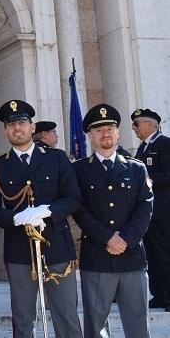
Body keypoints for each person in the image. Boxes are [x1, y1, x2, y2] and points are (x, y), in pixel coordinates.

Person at [0, 100, 82, 338]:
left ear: (32, 126)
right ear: (5, 130)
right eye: (11, 125)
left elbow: (73, 198)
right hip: (19, 250)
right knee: (23, 317)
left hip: (57, 246)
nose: (17, 129)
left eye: (21, 123)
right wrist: (17, 218)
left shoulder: (56, 159)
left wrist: (46, 211)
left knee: (66, 314)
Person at [74, 104, 153, 338]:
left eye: (110, 128)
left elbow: (145, 209)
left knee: (137, 323)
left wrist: (125, 239)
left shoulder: (136, 169)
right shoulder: (78, 171)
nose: (105, 133)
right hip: (96, 257)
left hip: (132, 258)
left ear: (118, 132)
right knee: (95, 325)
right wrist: (107, 237)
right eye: (99, 130)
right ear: (90, 135)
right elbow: (78, 209)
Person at [132, 107, 170, 310]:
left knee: (165, 254)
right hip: (149, 213)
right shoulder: (142, 148)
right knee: (152, 256)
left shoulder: (164, 144)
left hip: (164, 213)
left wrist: (148, 180)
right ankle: (159, 294)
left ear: (151, 124)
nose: (134, 128)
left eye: (137, 124)